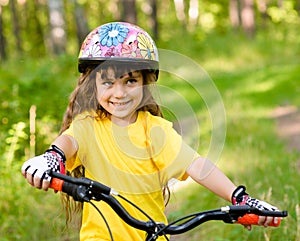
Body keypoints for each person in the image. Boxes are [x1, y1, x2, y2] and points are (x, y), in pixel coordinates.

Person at [21, 22, 278, 241]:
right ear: (93, 84)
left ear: (145, 83)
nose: (119, 93)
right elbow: (68, 141)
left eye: (130, 81)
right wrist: (52, 157)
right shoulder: (88, 125)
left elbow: (197, 165)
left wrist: (239, 197)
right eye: (108, 82)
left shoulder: (154, 129)